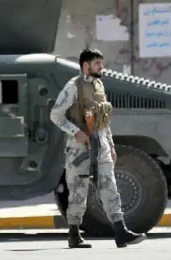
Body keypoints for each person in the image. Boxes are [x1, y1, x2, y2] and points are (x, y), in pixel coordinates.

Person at [49, 48, 146, 249]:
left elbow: (104, 120)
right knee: (78, 191)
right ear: (86, 65)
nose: (102, 67)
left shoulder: (99, 85)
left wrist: (110, 145)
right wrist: (76, 132)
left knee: (109, 186)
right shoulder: (73, 87)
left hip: (100, 145)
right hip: (79, 148)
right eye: (97, 63)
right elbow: (56, 115)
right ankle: (74, 234)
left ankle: (121, 232)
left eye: (102, 63)